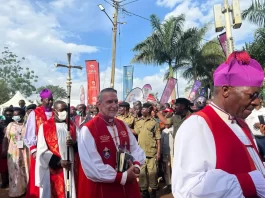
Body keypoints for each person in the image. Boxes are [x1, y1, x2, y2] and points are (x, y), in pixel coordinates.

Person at [172, 51, 265, 197]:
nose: (256, 101)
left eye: (258, 95)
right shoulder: (197, 125)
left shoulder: (242, 123)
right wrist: (250, 183)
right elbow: (189, 188)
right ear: (226, 90)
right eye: (251, 95)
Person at [78, 88, 145, 198]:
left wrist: (136, 166)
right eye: (109, 102)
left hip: (128, 185)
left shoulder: (122, 125)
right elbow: (92, 167)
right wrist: (122, 177)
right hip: (104, 188)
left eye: (115, 101)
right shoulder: (88, 129)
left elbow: (136, 149)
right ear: (99, 105)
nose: (114, 105)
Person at [35, 101, 77, 198]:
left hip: (71, 167)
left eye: (66, 110)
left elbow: (80, 146)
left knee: (70, 191)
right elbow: (42, 151)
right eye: (61, 110)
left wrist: (74, 144)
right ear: (55, 110)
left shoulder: (72, 125)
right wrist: (59, 162)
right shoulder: (45, 126)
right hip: (55, 169)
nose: (64, 112)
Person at [24, 89, 54, 198]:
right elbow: (29, 133)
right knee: (39, 176)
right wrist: (33, 150)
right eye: (48, 100)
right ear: (42, 100)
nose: (50, 102)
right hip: (39, 151)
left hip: (54, 151)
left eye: (51, 100)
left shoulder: (56, 113)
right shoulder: (35, 113)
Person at [134, 102, 161, 198]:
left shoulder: (155, 122)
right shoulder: (139, 122)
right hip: (141, 152)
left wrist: (158, 152)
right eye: (141, 109)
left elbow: (158, 138)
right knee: (142, 173)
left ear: (149, 109)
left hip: (151, 152)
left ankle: (153, 190)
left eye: (144, 109)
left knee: (152, 173)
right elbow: (136, 132)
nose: (142, 111)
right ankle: (144, 191)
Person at [2, 107, 29, 197]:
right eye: (14, 115)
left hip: (25, 152)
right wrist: (4, 149)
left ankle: (25, 189)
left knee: (25, 171)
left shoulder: (27, 125)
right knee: (14, 171)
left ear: (22, 115)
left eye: (16, 115)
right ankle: (16, 191)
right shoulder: (10, 125)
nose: (15, 117)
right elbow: (6, 139)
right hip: (13, 152)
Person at [245, 95, 265, 161]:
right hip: (252, 138)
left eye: (255, 98)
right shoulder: (248, 112)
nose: (253, 100)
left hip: (263, 138)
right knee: (256, 159)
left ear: (260, 100)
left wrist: (260, 125)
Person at [0, 108, 13, 188]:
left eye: (10, 115)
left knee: (12, 164)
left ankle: (12, 182)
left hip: (13, 146)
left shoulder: (16, 124)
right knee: (3, 166)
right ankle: (5, 182)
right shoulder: (1, 124)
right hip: (2, 145)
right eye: (7, 115)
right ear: (4, 115)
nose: (8, 116)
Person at [161, 118, 174, 193]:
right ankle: (169, 184)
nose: (166, 125)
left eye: (167, 124)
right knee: (166, 170)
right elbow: (162, 142)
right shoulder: (164, 131)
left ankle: (174, 183)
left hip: (173, 153)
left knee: (173, 169)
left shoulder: (174, 130)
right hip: (166, 153)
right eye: (165, 124)